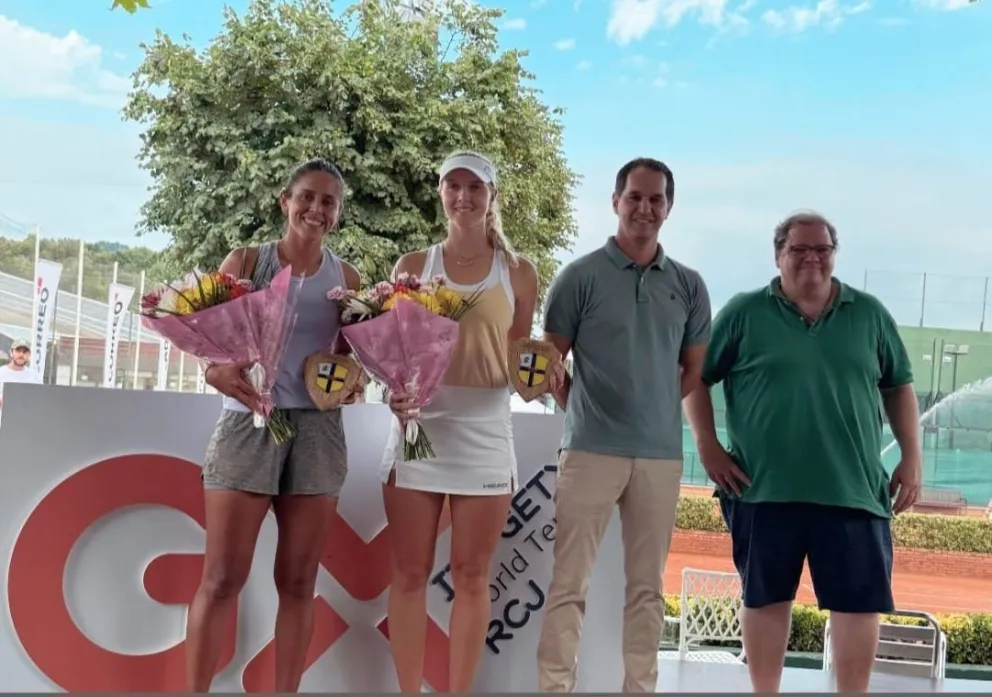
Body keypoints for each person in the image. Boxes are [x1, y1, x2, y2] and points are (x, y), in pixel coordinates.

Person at [683, 211, 923, 693]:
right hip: (762, 488)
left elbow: (899, 386)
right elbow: (695, 379)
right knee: (765, 600)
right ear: (779, 256)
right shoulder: (743, 311)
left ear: (834, 255)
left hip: (853, 489)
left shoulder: (869, 313)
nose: (811, 258)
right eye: (799, 249)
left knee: (858, 604)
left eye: (822, 249)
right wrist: (707, 447)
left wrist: (912, 457)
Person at [383, 150, 562, 692]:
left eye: (474, 187)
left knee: (471, 577)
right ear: (440, 192)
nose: (463, 196)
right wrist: (395, 391)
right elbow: (394, 352)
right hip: (419, 428)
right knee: (410, 575)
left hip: (486, 428)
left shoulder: (520, 273)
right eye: (452, 186)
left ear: (492, 197)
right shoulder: (412, 267)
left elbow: (519, 359)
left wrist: (541, 379)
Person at [184, 157, 362, 692]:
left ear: (337, 214)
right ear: (285, 201)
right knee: (221, 581)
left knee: (300, 583)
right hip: (248, 424)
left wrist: (354, 385)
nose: (316, 208)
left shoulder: (346, 278)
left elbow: (350, 361)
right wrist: (214, 371)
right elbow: (208, 344)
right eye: (306, 196)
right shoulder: (246, 260)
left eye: (328, 201)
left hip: (316, 434)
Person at [536, 157, 712, 692]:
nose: (645, 207)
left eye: (656, 199)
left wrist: (653, 406)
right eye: (635, 196)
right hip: (589, 452)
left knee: (647, 591)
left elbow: (693, 372)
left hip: (659, 457)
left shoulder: (689, 285)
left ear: (669, 207)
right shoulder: (579, 277)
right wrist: (580, 406)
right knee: (569, 584)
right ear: (616, 201)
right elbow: (548, 364)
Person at [0, 338, 44, 425]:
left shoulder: (35, 377)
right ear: (11, 352)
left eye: (25, 352)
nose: (21, 354)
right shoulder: (1, 372)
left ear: (29, 355)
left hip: (25, 426)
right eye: (18, 350)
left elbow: (40, 401)